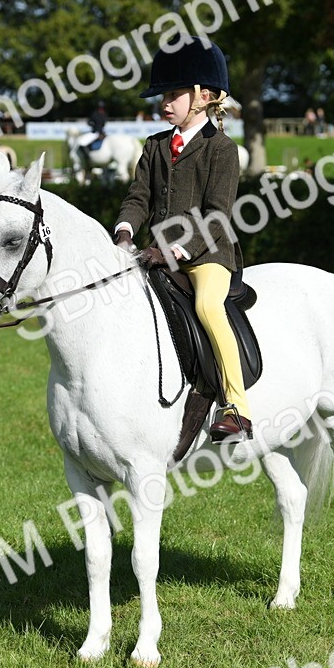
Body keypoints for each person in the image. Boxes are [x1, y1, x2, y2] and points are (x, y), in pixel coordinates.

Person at [113, 39, 253, 443]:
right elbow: (139, 197)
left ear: (203, 97)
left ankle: (236, 408)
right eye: (164, 94)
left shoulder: (222, 150)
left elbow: (216, 215)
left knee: (208, 305)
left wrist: (176, 250)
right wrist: (124, 231)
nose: (165, 102)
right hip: (153, 252)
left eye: (173, 94)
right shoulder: (155, 145)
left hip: (206, 255)